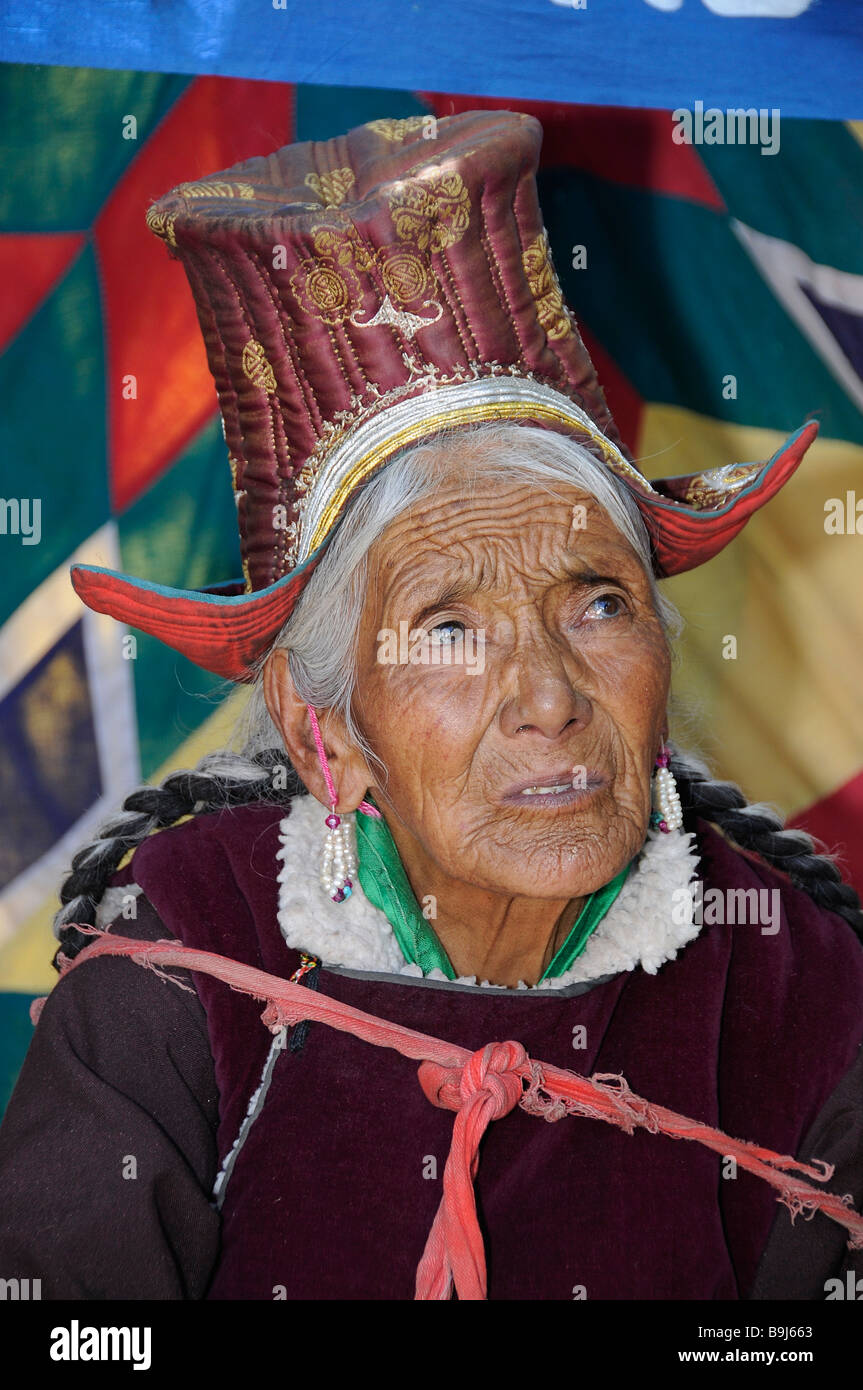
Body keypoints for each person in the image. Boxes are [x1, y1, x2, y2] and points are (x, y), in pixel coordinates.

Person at [0, 109, 861, 1302]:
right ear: (324, 727)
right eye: (448, 628)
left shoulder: (790, 980)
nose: (550, 698)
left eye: (597, 603)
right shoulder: (177, 973)